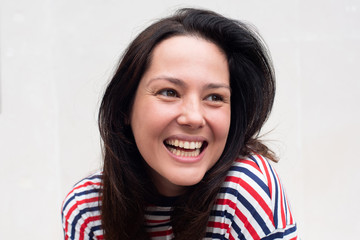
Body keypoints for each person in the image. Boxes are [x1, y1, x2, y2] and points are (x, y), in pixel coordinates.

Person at [61, 8, 298, 240]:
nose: (193, 117)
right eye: (169, 92)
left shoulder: (244, 191)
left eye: (215, 97)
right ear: (125, 107)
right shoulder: (89, 209)